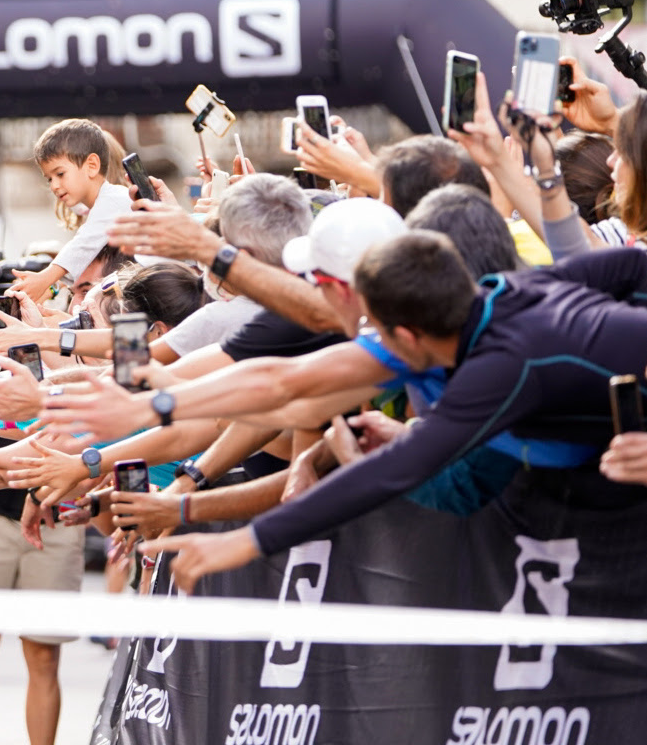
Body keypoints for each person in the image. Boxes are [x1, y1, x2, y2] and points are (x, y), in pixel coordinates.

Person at [143, 233, 647, 593]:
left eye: (376, 335)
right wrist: (152, 402)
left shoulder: (501, 369)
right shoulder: (505, 291)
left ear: (406, 336)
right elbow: (630, 268)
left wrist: (247, 542)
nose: (371, 350)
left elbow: (390, 472)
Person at [9, 119, 134, 303]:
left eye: (60, 174)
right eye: (49, 179)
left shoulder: (114, 200)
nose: (54, 186)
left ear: (92, 165)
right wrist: (50, 285)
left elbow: (82, 246)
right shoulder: (99, 207)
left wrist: (45, 278)